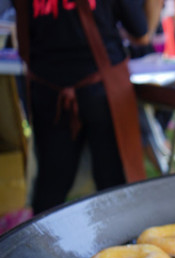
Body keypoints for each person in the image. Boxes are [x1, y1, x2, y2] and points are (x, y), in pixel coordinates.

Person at [14, 0, 162, 215]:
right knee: (114, 186)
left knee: (51, 185)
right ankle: (120, 244)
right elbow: (141, 35)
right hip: (101, 95)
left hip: (49, 91)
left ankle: (39, 244)